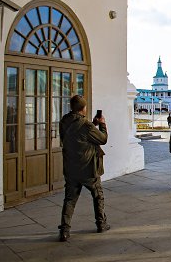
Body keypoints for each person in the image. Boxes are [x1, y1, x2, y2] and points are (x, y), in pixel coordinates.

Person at [58, 95, 109, 242]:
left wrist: (93, 124)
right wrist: (102, 124)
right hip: (88, 168)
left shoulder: (64, 121)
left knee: (69, 199)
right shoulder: (86, 125)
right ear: (83, 108)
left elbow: (77, 136)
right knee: (98, 195)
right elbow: (103, 139)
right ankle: (101, 223)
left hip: (70, 168)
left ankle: (65, 230)